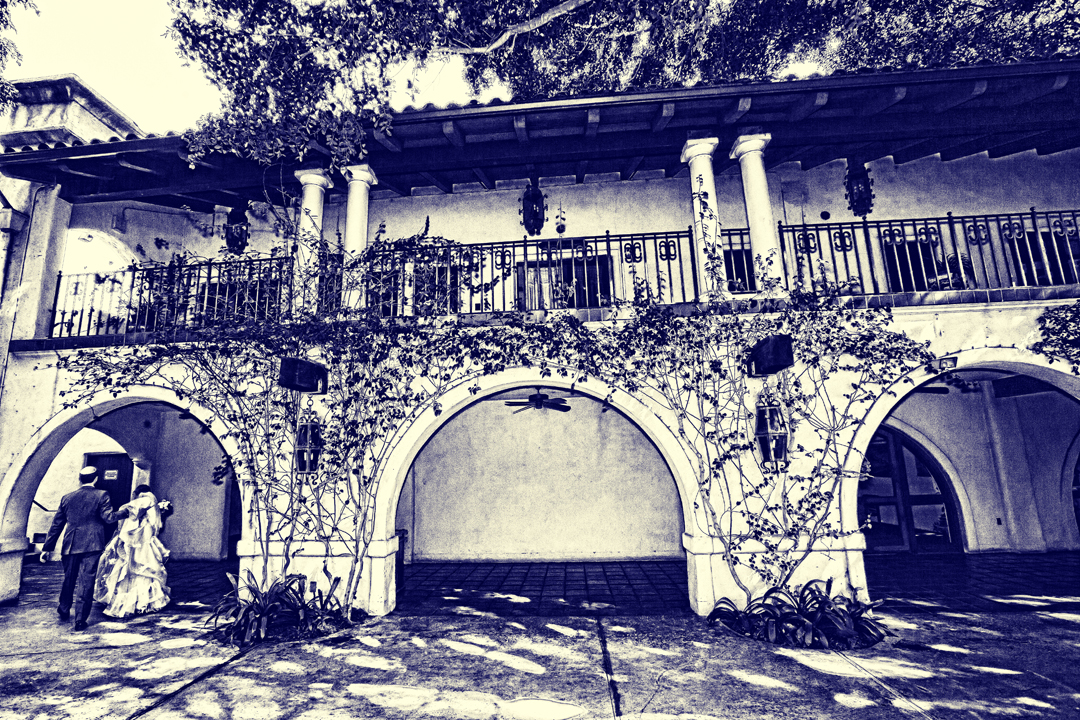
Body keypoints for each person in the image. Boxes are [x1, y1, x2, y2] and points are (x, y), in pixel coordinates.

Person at [40, 466, 130, 631]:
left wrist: (47, 548)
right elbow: (109, 518)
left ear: (80, 479)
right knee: (86, 582)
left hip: (70, 544)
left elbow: (56, 524)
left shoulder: (67, 497)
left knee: (69, 578)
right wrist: (125, 512)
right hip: (92, 544)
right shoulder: (102, 494)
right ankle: (80, 620)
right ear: (96, 479)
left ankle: (64, 608)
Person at [94, 484, 171, 619]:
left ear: (138, 492)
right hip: (146, 538)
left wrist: (119, 516)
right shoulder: (153, 501)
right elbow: (156, 524)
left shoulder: (145, 499)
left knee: (133, 568)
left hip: (139, 539)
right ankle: (145, 601)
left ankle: (133, 602)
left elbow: (129, 510)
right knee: (145, 568)